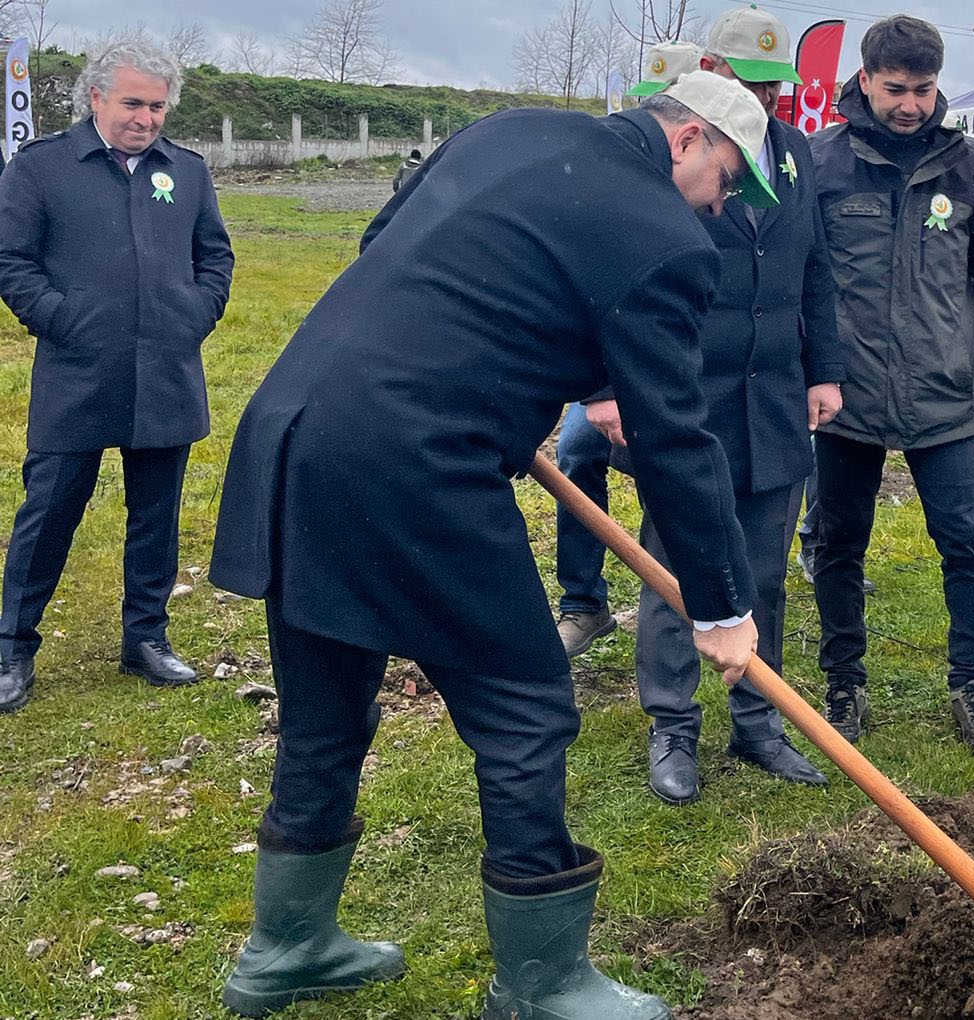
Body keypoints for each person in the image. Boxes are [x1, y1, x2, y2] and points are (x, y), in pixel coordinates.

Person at [208, 72, 776, 1020]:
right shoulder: (665, 239)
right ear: (688, 141)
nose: (724, 207)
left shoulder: (510, 131)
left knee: (326, 709)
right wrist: (722, 606)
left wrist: (505, 384)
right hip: (412, 463)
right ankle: (543, 982)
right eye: (727, 178)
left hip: (299, 425)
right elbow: (677, 437)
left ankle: (285, 947)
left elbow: (386, 246)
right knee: (524, 708)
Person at [586, 5, 841, 805]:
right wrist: (602, 387)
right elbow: (607, 272)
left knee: (762, 570)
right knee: (678, 567)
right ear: (712, 70)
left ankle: (758, 719)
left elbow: (816, 272)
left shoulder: (795, 156)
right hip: (684, 398)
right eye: (749, 80)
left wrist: (822, 370)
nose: (764, 98)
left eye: (775, 84)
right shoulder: (665, 153)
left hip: (772, 399)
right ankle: (673, 723)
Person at [809, 15, 974, 756]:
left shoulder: (971, 167)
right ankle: (845, 682)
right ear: (864, 80)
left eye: (924, 89)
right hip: (846, 396)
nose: (910, 104)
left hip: (942, 391)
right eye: (896, 88)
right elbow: (803, 279)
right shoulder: (823, 163)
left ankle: (973, 686)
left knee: (966, 544)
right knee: (838, 545)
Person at [0, 37, 234, 714]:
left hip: (165, 373)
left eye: (158, 106)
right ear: (96, 96)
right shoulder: (42, 169)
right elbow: (12, 262)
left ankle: (146, 639)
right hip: (77, 374)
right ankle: (13, 646)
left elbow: (214, 258)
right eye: (134, 102)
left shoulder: (185, 173)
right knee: (48, 513)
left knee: (156, 519)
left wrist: (193, 314)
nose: (147, 117)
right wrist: (63, 319)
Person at [552, 39, 704, 658]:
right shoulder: (615, 173)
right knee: (575, 451)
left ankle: (692, 606)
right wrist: (602, 391)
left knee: (678, 473)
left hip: (685, 366)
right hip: (614, 369)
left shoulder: (714, 177)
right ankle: (583, 603)